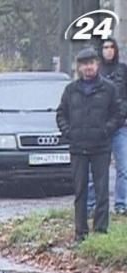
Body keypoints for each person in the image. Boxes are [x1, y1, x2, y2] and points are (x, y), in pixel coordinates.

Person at [57, 47, 123, 243]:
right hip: (78, 148)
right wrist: (69, 132)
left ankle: (101, 231)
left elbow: (118, 113)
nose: (88, 68)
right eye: (84, 64)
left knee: (102, 190)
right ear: (79, 67)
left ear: (97, 65)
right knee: (80, 191)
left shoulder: (109, 89)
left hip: (101, 147)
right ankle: (80, 233)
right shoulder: (71, 90)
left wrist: (106, 130)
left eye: (91, 63)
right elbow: (61, 114)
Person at [87, 38, 127, 216]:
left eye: (112, 47)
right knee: (94, 169)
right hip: (99, 127)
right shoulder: (96, 72)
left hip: (120, 126)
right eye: (105, 47)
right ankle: (92, 205)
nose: (109, 50)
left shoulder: (123, 70)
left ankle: (121, 204)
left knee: (123, 168)